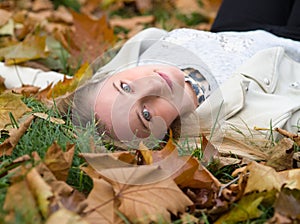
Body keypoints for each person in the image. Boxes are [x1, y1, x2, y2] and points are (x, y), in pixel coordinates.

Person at [70, 0, 300, 149]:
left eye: (126, 87)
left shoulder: (131, 64)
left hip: (235, 29)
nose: (153, 85)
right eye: (147, 114)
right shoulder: (230, 123)